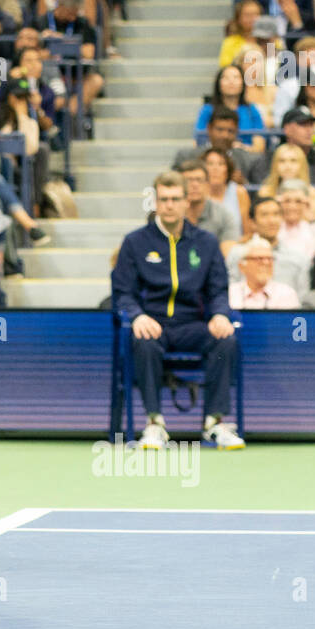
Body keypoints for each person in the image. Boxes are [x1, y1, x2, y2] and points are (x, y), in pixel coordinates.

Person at [111, 172, 242, 450]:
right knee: (144, 341)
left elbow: (218, 289)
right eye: (163, 199)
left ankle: (214, 423)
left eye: (175, 199)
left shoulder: (206, 242)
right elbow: (123, 291)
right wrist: (138, 315)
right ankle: (154, 423)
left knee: (225, 340)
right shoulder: (135, 242)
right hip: (153, 323)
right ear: (155, 203)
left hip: (192, 324)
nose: (169, 205)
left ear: (186, 202)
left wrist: (220, 314)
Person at [227, 235, 302, 309]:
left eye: (270, 259)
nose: (266, 263)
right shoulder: (230, 294)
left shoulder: (286, 294)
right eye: (259, 259)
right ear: (242, 267)